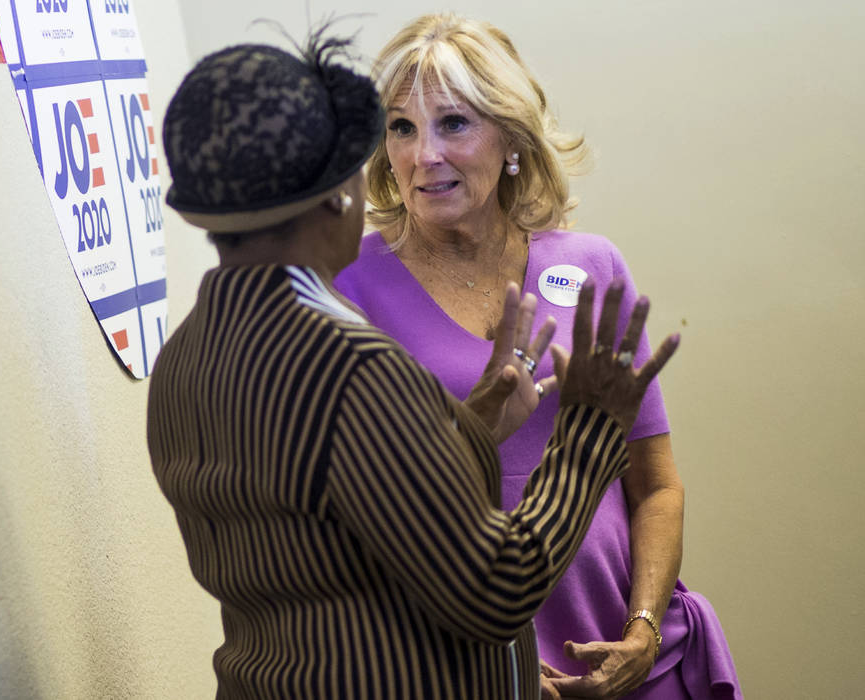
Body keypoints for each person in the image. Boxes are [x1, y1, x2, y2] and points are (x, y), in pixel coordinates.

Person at [147, 28, 678, 700]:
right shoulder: (355, 367)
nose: (417, 158)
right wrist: (590, 433)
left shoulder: (182, 362)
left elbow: (340, 530)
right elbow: (497, 589)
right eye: (394, 132)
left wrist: (466, 428)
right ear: (339, 195)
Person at [333, 13, 740, 699]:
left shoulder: (591, 265)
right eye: (401, 127)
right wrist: (494, 666)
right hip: (465, 670)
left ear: (512, 138)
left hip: (636, 660)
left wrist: (642, 632)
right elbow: (353, 524)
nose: (423, 154)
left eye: (453, 123)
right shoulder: (349, 285)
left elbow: (656, 485)